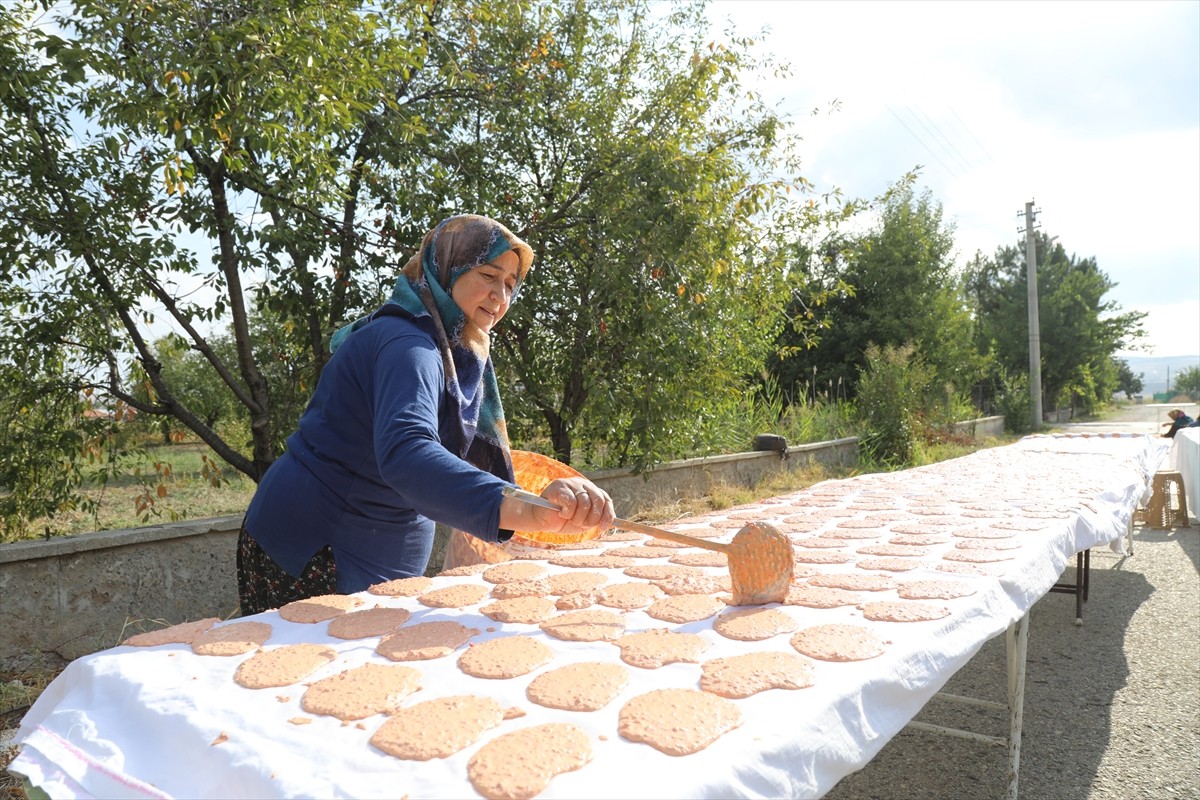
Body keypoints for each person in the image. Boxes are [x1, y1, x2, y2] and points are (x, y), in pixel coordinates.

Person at [236, 214, 615, 615]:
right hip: (319, 544)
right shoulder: (408, 346)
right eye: (488, 274)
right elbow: (408, 454)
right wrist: (526, 509)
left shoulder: (454, 349)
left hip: (378, 543)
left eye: (510, 284)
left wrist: (533, 497)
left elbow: (446, 459)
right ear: (447, 268)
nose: (500, 296)